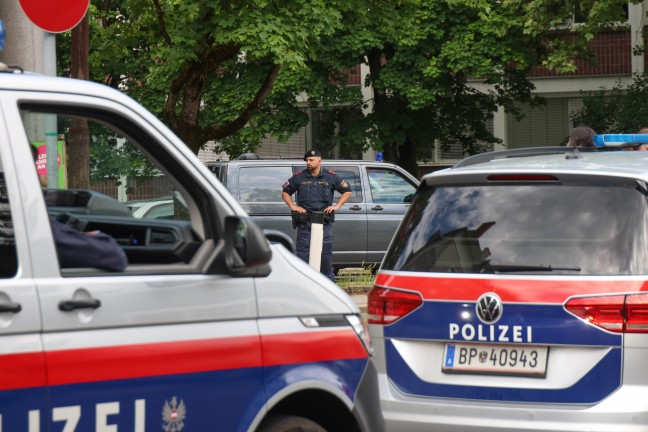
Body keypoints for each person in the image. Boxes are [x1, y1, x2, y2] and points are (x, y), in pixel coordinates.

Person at [30, 144, 128, 271]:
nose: (38, 175)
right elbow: (113, 255)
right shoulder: (31, 229)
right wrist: (80, 235)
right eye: (33, 167)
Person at [282, 149, 352, 281]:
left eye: (311, 160)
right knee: (303, 253)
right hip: (305, 222)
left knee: (325, 253)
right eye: (306, 160)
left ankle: (328, 282)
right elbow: (285, 192)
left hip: (323, 221)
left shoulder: (330, 177)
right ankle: (303, 281)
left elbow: (347, 191)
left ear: (320, 160)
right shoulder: (299, 177)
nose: (308, 162)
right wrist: (293, 206)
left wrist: (337, 206)